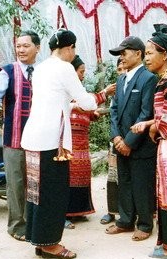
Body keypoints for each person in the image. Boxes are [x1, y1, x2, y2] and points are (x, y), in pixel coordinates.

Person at [20, 29, 98, 259]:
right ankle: (50, 243)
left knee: (36, 192)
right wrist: (96, 100)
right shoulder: (65, 68)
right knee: (53, 193)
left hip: (34, 137)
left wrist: (71, 105)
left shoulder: (42, 67)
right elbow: (85, 100)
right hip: (52, 140)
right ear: (69, 48)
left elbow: (54, 100)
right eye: (73, 49)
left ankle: (37, 237)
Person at [132, 24, 167, 259]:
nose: (146, 58)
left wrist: (154, 128)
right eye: (145, 54)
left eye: (149, 53)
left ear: (164, 55)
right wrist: (152, 125)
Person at [0, 30, 41, 242]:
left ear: (37, 48)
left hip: (39, 139)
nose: (21, 49)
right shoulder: (8, 71)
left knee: (36, 183)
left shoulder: (42, 73)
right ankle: (16, 226)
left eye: (26, 45)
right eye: (18, 45)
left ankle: (35, 223)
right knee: (16, 184)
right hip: (14, 139)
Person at [106, 36, 157, 242]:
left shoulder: (148, 78)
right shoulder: (121, 79)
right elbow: (114, 111)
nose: (121, 57)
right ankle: (125, 220)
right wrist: (117, 137)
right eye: (120, 54)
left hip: (140, 144)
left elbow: (146, 113)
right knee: (124, 182)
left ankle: (145, 224)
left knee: (141, 184)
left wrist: (128, 142)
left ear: (138, 53)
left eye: (124, 52)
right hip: (121, 143)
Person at [64, 55, 112, 229]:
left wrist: (94, 114)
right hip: (66, 145)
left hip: (82, 143)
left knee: (82, 174)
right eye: (81, 71)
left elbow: (89, 110)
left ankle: (79, 210)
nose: (83, 75)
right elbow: (83, 104)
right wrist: (104, 93)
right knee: (67, 177)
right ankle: (64, 214)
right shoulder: (63, 92)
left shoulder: (81, 93)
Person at [100, 58, 125, 225]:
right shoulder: (114, 89)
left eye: (124, 68)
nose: (122, 71)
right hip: (115, 139)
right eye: (119, 69)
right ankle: (111, 211)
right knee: (112, 176)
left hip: (132, 139)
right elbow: (113, 114)